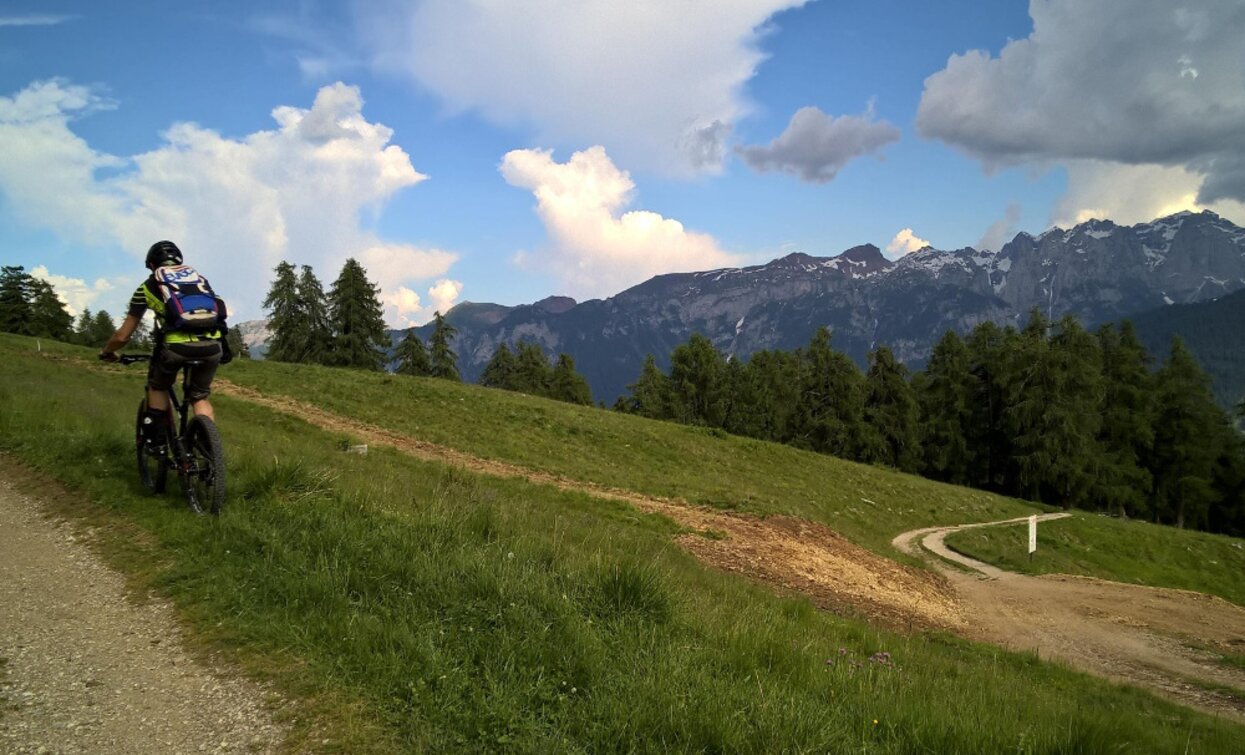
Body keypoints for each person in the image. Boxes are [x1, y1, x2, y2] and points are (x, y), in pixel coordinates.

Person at [99, 240, 231, 451]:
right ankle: (208, 452)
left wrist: (107, 351)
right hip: (213, 347)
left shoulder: (148, 286)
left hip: (175, 349)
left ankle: (158, 444)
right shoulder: (200, 281)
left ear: (151, 265)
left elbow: (123, 335)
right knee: (200, 396)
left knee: (158, 386)